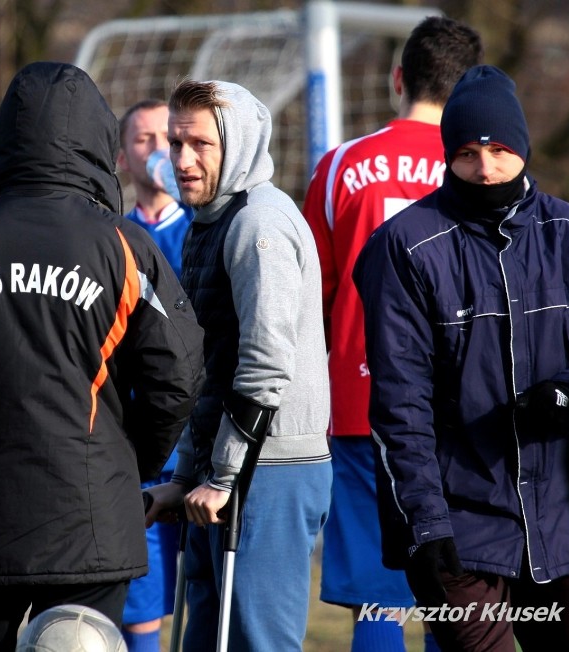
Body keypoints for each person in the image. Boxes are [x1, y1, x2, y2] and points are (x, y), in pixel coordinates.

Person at [0, 61, 205, 651]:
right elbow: (177, 375)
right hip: (92, 521)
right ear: (99, 139)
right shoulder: (124, 245)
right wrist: (128, 463)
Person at [353, 64, 569, 651]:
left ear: (524, 148)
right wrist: (425, 522)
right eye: (468, 153)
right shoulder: (404, 246)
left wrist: (567, 392)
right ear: (447, 154)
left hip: (566, 516)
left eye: (501, 149)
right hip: (459, 525)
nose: (485, 168)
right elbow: (400, 403)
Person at [302, 16, 483, 652]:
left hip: (362, 407)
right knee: (458, 598)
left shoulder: (340, 167)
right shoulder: (477, 168)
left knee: (380, 603)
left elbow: (311, 298)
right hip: (462, 414)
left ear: (397, 78)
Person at [144, 79, 332, 651]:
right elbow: (209, 365)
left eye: (200, 144)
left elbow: (265, 364)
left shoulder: (259, 225)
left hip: (267, 471)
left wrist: (220, 477)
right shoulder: (210, 221)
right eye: (175, 144)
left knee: (258, 641)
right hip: (225, 470)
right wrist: (185, 476)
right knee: (209, 635)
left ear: (241, 144)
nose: (182, 159)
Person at [116, 98, 193, 652]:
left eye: (167, 137)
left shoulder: (205, 231)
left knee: (206, 594)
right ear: (121, 156)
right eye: (143, 139)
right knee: (139, 598)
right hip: (133, 442)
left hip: (198, 443)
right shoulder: (109, 237)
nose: (158, 150)